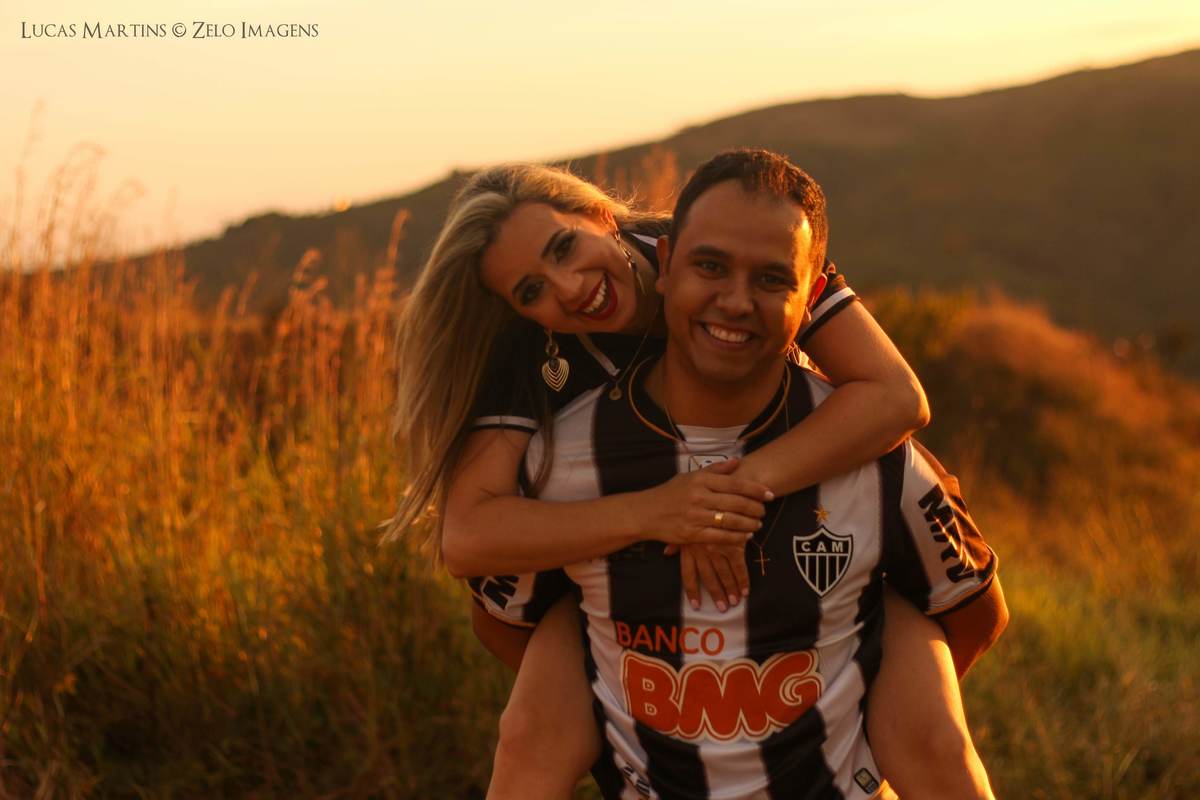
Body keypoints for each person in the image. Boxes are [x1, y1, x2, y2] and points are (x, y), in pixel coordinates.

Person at [388, 158, 990, 797]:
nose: (567, 288)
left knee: (932, 727)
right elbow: (469, 539)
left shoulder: (731, 249)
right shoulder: (532, 350)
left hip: (793, 506)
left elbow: (897, 397)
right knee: (528, 734)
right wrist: (660, 516)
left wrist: (727, 494)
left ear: (600, 215)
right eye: (531, 290)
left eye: (564, 248)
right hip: (627, 579)